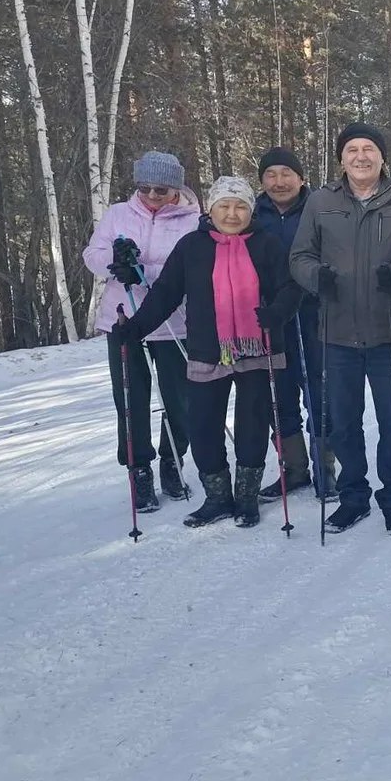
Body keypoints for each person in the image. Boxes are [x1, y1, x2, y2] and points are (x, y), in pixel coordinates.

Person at [114, 176, 301, 529]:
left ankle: (246, 498)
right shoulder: (191, 247)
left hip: (258, 347)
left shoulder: (268, 245)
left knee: (253, 425)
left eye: (241, 206)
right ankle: (217, 497)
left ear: (250, 210)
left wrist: (277, 312)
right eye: (225, 206)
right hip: (207, 348)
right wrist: (136, 327)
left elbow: (290, 288)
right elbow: (166, 292)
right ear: (211, 209)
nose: (233, 214)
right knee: (202, 426)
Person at [289, 123, 391, 535]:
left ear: (383, 157)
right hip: (336, 333)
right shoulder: (320, 202)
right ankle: (353, 498)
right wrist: (318, 277)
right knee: (343, 423)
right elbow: (299, 256)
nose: (361, 156)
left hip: (390, 332)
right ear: (342, 158)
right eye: (353, 149)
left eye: (369, 149)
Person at [82, 150, 199, 511]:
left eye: (161, 190)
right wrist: (115, 261)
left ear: (176, 189)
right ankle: (139, 470)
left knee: (179, 400)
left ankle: (172, 461)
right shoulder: (119, 213)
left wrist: (145, 272)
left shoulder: (193, 219)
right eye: (145, 188)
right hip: (123, 318)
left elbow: (190, 265)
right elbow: (92, 254)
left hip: (172, 320)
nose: (151, 197)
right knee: (130, 400)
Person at [253, 146, 334, 502]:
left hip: (315, 310)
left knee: (319, 387)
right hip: (272, 315)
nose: (279, 181)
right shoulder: (252, 213)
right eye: (271, 174)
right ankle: (294, 467)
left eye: (287, 174)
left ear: (301, 178)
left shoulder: (320, 207)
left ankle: (325, 468)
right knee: (279, 392)